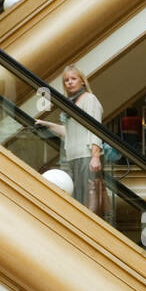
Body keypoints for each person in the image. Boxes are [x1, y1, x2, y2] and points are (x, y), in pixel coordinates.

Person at [37, 65, 104, 210]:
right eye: (66, 80)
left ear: (82, 81)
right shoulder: (70, 104)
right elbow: (68, 132)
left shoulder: (89, 99)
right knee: (76, 198)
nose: (70, 82)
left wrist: (95, 155)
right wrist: (47, 124)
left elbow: (96, 128)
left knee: (88, 198)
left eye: (73, 79)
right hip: (71, 157)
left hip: (86, 155)